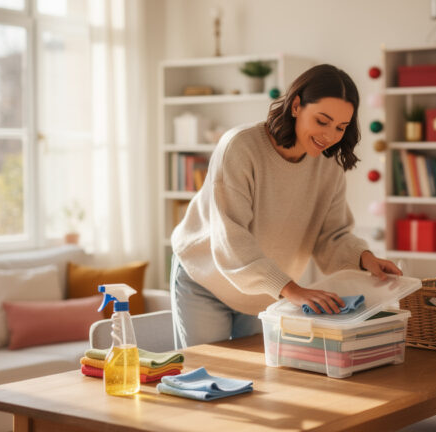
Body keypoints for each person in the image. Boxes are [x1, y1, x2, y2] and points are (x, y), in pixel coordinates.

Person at [170, 64, 402, 348]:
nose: (330, 135)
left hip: (267, 292)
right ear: (295, 106)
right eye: (322, 121)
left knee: (258, 384)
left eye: (340, 127)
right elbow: (231, 235)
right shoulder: (240, 147)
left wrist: (364, 258)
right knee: (206, 376)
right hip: (206, 282)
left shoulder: (329, 166)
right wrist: (293, 290)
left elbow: (331, 236)